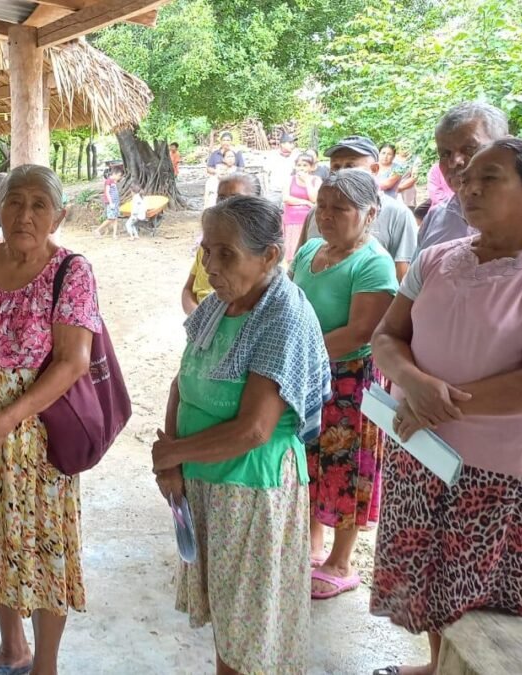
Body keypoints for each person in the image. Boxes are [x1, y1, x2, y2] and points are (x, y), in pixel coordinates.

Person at [369, 139, 522, 675]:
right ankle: (436, 665)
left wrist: (437, 405)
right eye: (467, 177)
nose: (469, 187)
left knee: (482, 593)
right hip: (418, 450)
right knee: (428, 578)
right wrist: (413, 382)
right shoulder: (436, 257)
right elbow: (386, 337)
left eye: (489, 178)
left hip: (491, 474)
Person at [155, 195, 330, 674]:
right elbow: (182, 380)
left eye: (226, 254)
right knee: (231, 628)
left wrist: (174, 452)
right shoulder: (218, 305)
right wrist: (172, 461)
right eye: (207, 251)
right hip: (208, 484)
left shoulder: (282, 316)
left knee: (249, 634)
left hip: (252, 491)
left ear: (270, 255)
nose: (211, 265)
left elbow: (254, 430)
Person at [0, 165, 101, 675]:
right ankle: (13, 648)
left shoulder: (71, 271)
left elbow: (73, 361)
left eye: (38, 204)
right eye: (14, 201)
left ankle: (45, 666)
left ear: (58, 215)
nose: (24, 214)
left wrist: (5, 419)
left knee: (44, 548)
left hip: (36, 436)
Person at [289, 169, 399, 600]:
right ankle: (313, 545)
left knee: (348, 464)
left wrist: (302, 353)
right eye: (322, 206)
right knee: (309, 453)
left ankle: (341, 559)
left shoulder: (373, 262)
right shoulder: (311, 250)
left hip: (351, 380)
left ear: (370, 213)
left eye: (340, 208)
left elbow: (360, 332)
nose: (327, 216)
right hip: (307, 372)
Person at [297, 136, 419, 280]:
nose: (341, 173)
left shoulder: (398, 214)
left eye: (350, 166)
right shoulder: (317, 213)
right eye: (335, 167)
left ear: (374, 169)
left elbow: (404, 278)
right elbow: (299, 263)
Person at [417, 102, 511, 256]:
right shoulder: (436, 217)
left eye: (469, 148)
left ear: (508, 146)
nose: (455, 162)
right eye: (445, 153)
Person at [182, 173, 261, 314]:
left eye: (236, 199)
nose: (226, 205)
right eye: (221, 198)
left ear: (256, 202)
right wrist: (196, 317)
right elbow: (188, 289)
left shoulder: (256, 252)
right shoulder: (207, 244)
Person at [282, 153, 322, 263]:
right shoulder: (290, 179)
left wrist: (307, 182)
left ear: (311, 167)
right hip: (292, 220)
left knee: (308, 249)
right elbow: (286, 198)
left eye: (305, 165)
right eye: (299, 165)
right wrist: (305, 202)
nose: (302, 168)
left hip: (309, 220)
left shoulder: (316, 180)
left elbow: (314, 199)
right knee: (292, 250)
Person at [267, 133, 299, 204]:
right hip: (274, 192)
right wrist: (267, 189)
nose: (293, 145)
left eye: (293, 143)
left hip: (291, 193)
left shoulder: (296, 156)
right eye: (290, 143)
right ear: (282, 144)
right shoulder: (272, 156)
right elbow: (266, 174)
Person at [95, 167, 123, 237]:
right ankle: (98, 230)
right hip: (111, 203)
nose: (119, 177)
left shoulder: (114, 181)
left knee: (115, 218)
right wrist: (110, 203)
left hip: (115, 203)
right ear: (114, 174)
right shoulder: (108, 181)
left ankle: (114, 234)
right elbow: (107, 192)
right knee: (110, 219)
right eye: (119, 175)